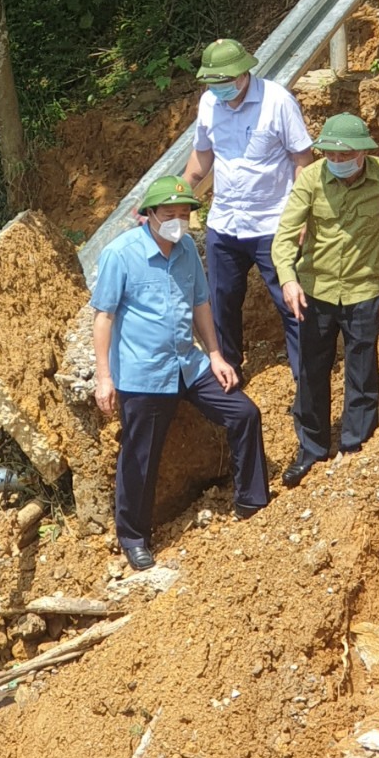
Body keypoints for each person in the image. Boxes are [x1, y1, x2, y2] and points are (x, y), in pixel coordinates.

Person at [91, 174, 269, 570]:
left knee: (244, 414)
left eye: (184, 214)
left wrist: (217, 355)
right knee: (140, 457)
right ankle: (134, 538)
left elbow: (202, 304)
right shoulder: (120, 255)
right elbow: (103, 317)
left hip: (189, 363)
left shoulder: (187, 248)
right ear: (149, 214)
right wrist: (105, 377)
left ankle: (251, 501)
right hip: (143, 372)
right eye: (169, 214)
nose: (178, 220)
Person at [271, 113, 379, 487]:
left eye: (344, 153)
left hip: (363, 292)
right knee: (312, 373)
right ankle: (311, 450)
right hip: (316, 293)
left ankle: (354, 448)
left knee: (362, 373)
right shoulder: (312, 179)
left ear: (362, 153)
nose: (337, 160)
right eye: (330, 153)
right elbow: (284, 236)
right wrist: (288, 279)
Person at [184, 38, 314, 383]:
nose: (219, 89)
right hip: (225, 224)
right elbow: (201, 158)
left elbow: (303, 160)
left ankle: (308, 378)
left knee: (292, 303)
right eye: (213, 83)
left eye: (224, 81)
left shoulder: (277, 102)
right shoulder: (209, 104)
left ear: (243, 74)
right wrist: (177, 197)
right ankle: (229, 374)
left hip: (274, 223)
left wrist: (301, 216)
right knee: (220, 302)